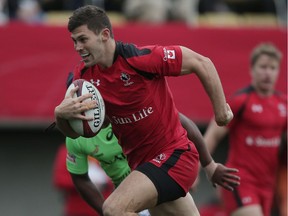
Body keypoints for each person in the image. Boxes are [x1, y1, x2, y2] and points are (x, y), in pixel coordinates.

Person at [54, 5, 240, 215]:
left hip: (175, 157)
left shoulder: (140, 59)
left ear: (104, 35)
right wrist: (61, 116)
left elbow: (202, 62)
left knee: (113, 209)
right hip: (145, 168)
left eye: (83, 39)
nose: (78, 47)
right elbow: (77, 133)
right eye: (74, 41)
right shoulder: (83, 77)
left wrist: (221, 113)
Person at [204, 43, 287, 216]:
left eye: (272, 68)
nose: (267, 73)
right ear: (252, 69)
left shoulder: (283, 104)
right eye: (263, 67)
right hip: (239, 180)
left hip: (267, 184)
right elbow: (212, 135)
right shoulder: (241, 101)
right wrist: (197, 169)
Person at [53, 143, 114, 216]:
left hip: (103, 209)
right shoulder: (68, 149)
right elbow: (60, 179)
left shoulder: (106, 148)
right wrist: (86, 182)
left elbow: (117, 175)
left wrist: (104, 182)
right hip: (78, 210)